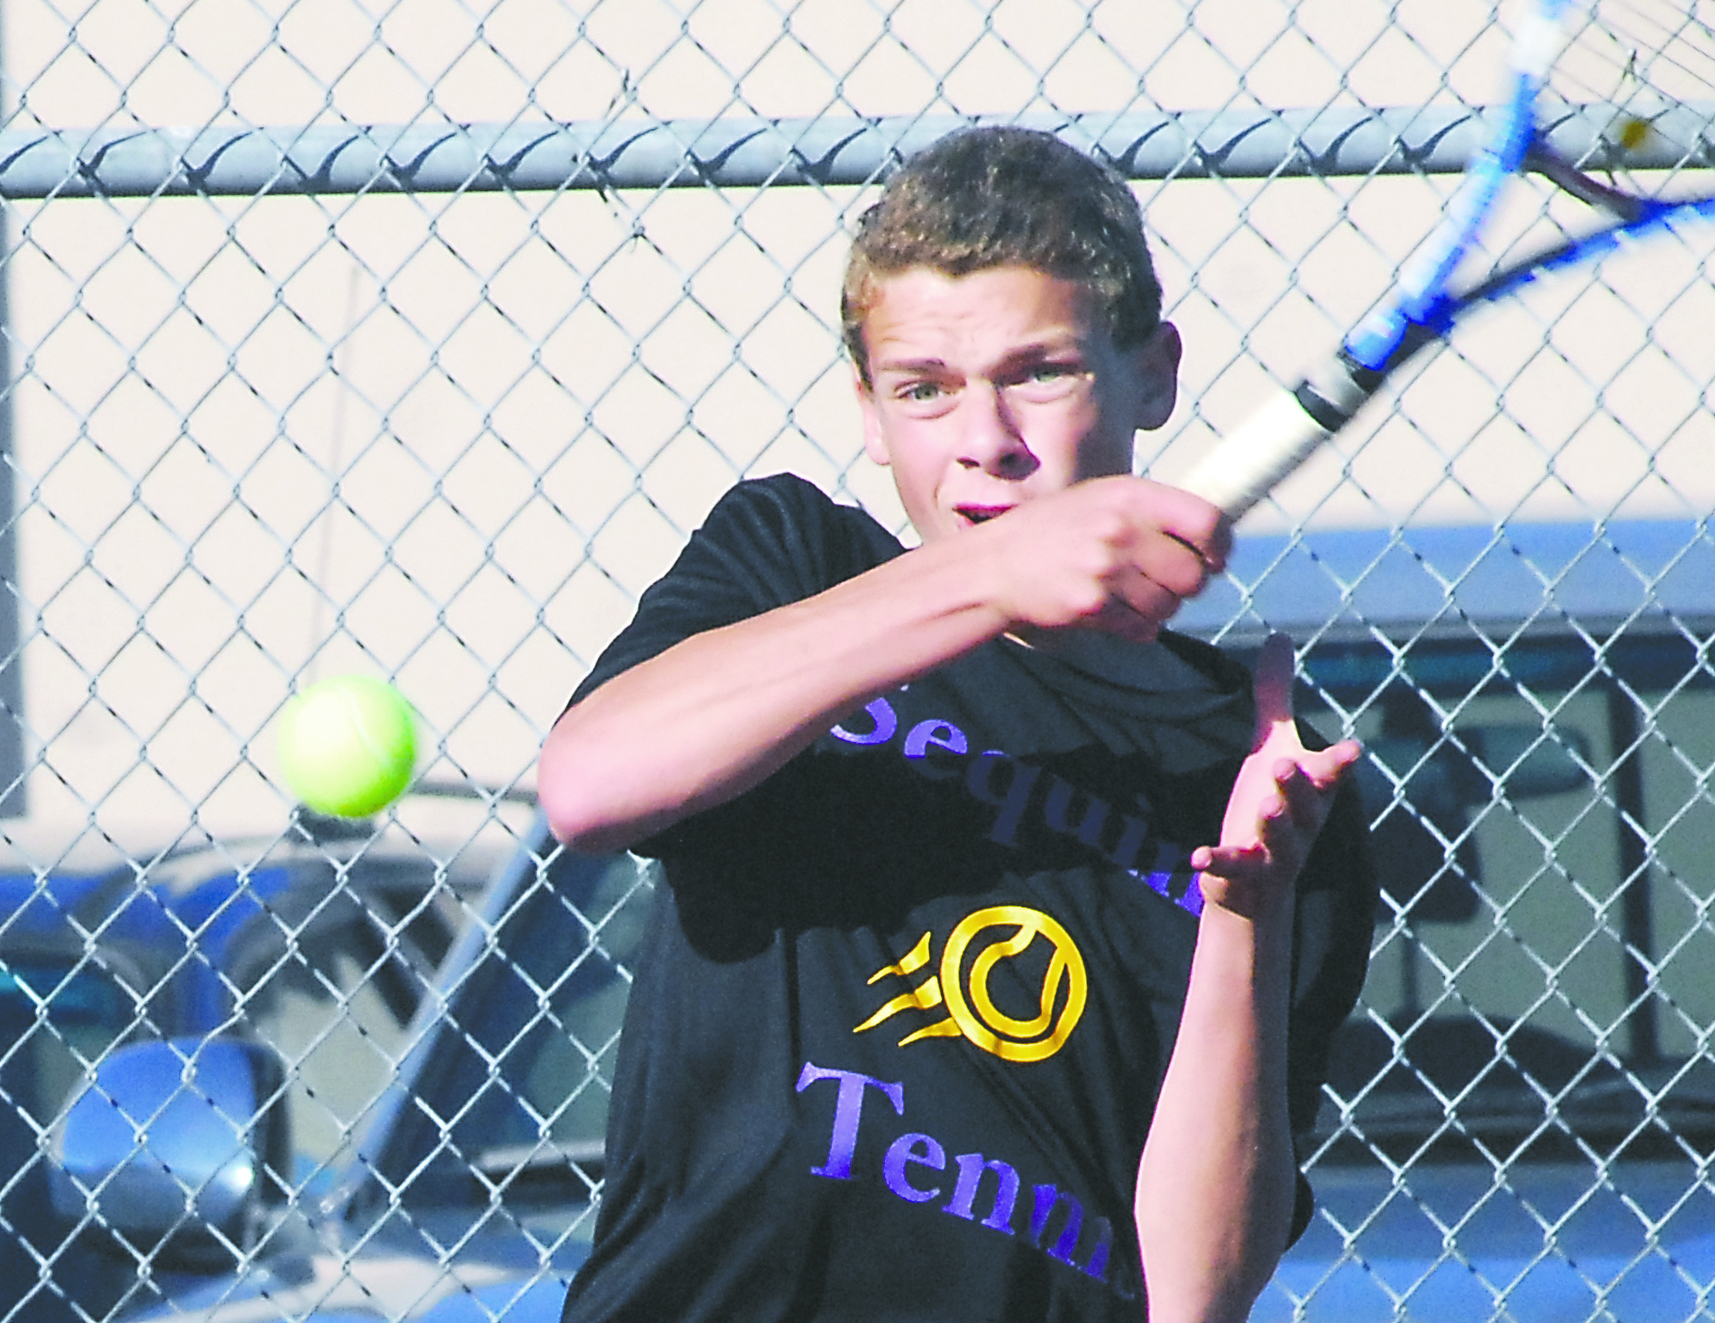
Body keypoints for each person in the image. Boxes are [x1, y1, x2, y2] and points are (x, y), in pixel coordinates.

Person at [539, 125, 1374, 1323]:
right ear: (870, 413)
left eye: (1040, 373)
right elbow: (592, 781)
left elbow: (1194, 1290)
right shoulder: (794, 565)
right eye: (923, 389)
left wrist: (1247, 914)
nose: (985, 440)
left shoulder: (1254, 765)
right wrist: (989, 579)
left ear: (1152, 374)